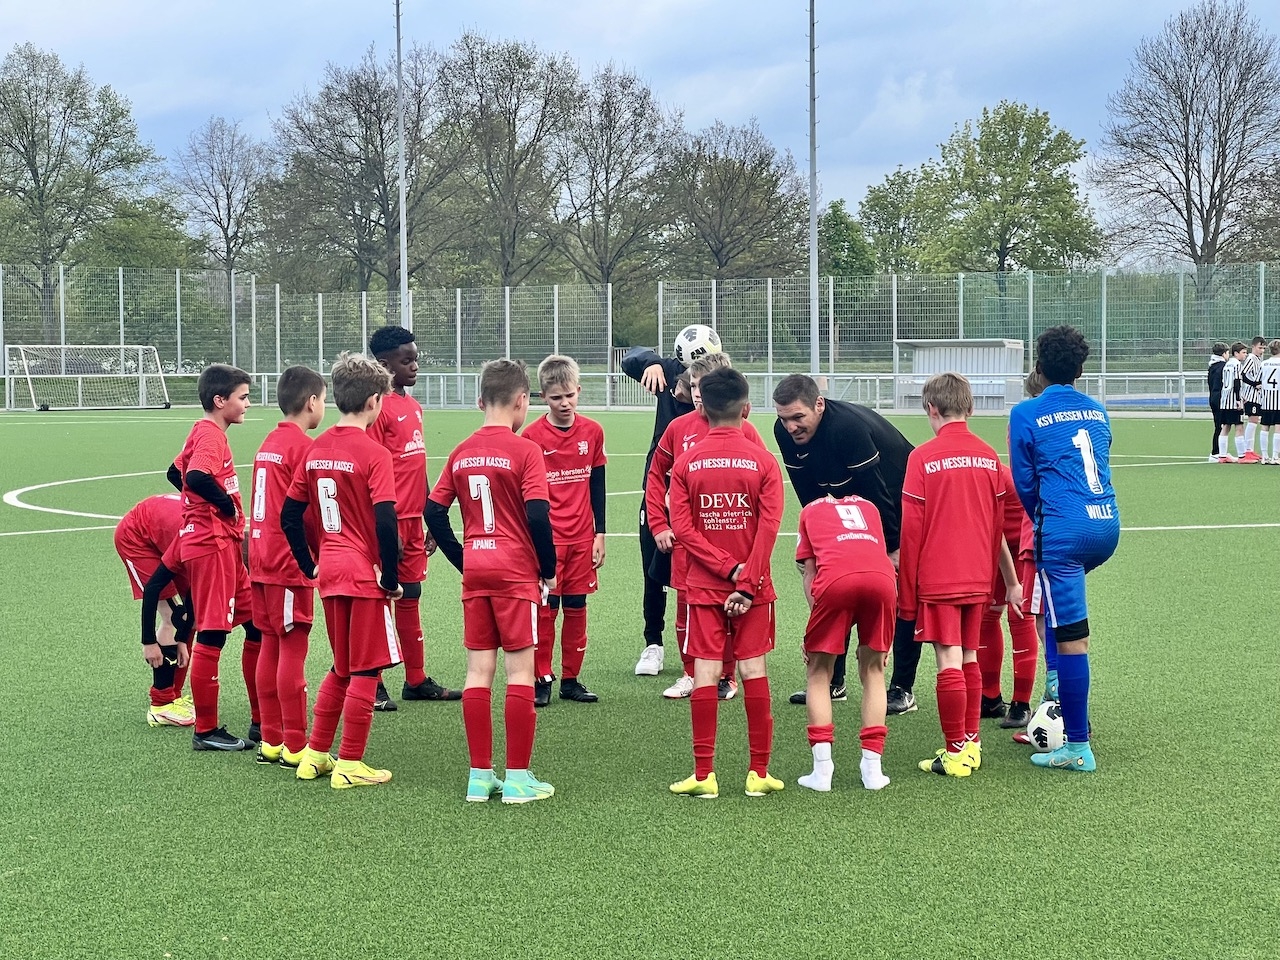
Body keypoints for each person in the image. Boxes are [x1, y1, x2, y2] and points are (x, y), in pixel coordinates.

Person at [425, 359, 558, 804]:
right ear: (523, 400)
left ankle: (479, 776)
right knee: (520, 672)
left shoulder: (461, 451)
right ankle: (518, 778)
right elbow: (537, 515)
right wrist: (548, 568)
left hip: (477, 570)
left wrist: (464, 559)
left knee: (477, 672)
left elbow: (433, 512)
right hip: (515, 571)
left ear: (480, 400)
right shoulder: (526, 451)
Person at [281, 353, 403, 789]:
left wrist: (309, 563)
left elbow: (289, 516)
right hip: (362, 574)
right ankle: (350, 762)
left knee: (342, 666)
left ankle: (315, 755)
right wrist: (391, 577)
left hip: (330, 572)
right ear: (374, 402)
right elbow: (386, 520)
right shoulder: (375, 453)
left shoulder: (315, 449)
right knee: (366, 671)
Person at [667, 367, 784, 800]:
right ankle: (758, 772)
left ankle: (704, 775)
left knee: (705, 671)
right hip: (754, 588)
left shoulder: (686, 462)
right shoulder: (764, 461)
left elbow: (683, 528)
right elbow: (769, 527)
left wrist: (726, 569)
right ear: (746, 409)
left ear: (704, 410)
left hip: (703, 585)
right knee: (753, 670)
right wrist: (746, 579)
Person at [771, 373, 918, 713]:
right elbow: (808, 493)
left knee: (902, 594)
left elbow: (878, 492)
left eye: (798, 417)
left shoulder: (847, 428)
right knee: (833, 582)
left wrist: (892, 547)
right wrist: (819, 544)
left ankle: (902, 688)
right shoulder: (785, 432)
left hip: (899, 498)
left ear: (819, 405)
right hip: (852, 501)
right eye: (784, 418)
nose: (791, 427)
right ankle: (832, 680)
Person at [1009, 325, 1120, 773]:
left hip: (1064, 534)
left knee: (1073, 639)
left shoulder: (1026, 412)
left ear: (1038, 366)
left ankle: (1077, 744)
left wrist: (1047, 522)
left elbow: (1025, 484)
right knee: (1056, 614)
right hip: (1106, 526)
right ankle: (1057, 698)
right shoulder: (1098, 410)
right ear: (1080, 369)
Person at [900, 372, 1020, 778]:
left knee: (947, 659)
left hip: (939, 577)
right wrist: (1004, 581)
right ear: (971, 408)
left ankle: (954, 754)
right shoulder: (989, 457)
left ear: (931, 409)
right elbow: (997, 526)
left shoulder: (922, 457)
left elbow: (911, 531)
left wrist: (907, 596)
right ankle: (971, 744)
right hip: (979, 577)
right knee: (970, 655)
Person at [646, 352, 767, 700]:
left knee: (729, 608)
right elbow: (655, 474)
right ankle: (691, 673)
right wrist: (659, 523)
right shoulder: (678, 428)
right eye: (694, 386)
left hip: (730, 539)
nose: (698, 393)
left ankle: (726, 676)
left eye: (704, 386)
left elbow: (761, 483)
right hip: (688, 541)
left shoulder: (746, 431)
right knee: (686, 608)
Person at [170, 363, 261, 752]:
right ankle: (206, 730)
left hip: (222, 544)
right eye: (243, 397)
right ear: (220, 400)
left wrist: (201, 507)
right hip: (211, 545)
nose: (247, 404)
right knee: (212, 633)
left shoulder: (203, 430)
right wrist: (224, 507)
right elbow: (194, 477)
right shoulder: (210, 434)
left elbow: (174, 472)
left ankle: (261, 720)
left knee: (256, 625)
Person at [367, 324, 459, 710]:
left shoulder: (413, 406)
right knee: (380, 598)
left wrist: (428, 516)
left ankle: (416, 679)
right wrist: (385, 527)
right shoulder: (377, 408)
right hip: (387, 520)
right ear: (384, 364)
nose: (415, 366)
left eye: (415, 359)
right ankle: (372, 681)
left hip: (412, 519)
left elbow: (416, 464)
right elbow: (371, 471)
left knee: (412, 593)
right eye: (407, 361)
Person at [248, 365, 326, 767]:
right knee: (292, 646)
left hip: (260, 556)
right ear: (312, 402)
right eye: (323, 399)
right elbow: (307, 512)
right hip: (287, 560)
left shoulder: (269, 442)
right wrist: (318, 554)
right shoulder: (302, 448)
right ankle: (295, 744)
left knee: (270, 644)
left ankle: (271, 739)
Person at [520, 354, 607, 707]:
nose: (565, 403)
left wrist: (600, 533)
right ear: (543, 397)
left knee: (577, 606)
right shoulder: (531, 436)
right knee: (546, 609)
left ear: (579, 391)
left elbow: (597, 483)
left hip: (583, 538)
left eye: (570, 395)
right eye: (556, 397)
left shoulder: (593, 431)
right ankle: (541, 678)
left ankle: (571, 679)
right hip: (549, 540)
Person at [794, 494, 896, 792]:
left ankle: (822, 770)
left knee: (819, 672)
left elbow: (811, 572)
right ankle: (872, 770)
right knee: (874, 671)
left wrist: (814, 626)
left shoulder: (810, 510)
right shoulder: (869, 506)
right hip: (883, 581)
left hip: (837, 580)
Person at [622, 342, 697, 677]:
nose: (690, 392)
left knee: (700, 572)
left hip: (698, 497)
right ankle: (653, 643)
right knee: (653, 570)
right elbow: (630, 359)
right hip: (659, 492)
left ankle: (709, 646)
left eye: (698, 385)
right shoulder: (668, 372)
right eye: (688, 384)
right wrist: (650, 361)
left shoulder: (716, 399)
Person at [115, 493, 194, 727]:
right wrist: (148, 642)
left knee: (186, 616)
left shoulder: (217, 532)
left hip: (164, 536)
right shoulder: (198, 539)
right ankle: (161, 705)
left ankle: (173, 694)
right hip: (136, 538)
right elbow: (152, 592)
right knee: (171, 617)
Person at [976, 462, 1040, 731]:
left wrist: (1013, 583)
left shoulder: (987, 476)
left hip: (1022, 543)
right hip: (995, 544)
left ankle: (1021, 703)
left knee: (1019, 616)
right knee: (986, 616)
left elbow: (996, 533)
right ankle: (990, 698)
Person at [1239, 336, 1265, 463]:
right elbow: (1243, 374)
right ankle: (1247, 450)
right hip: (1250, 395)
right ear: (1253, 347)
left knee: (1254, 421)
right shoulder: (1251, 358)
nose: (1262, 351)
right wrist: (1255, 384)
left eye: (1263, 348)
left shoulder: (1258, 359)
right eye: (1260, 348)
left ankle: (1250, 450)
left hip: (1257, 396)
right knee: (1253, 420)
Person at [1218, 342, 1246, 462]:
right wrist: (1239, 399)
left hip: (1225, 400)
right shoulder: (1237, 364)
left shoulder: (1227, 364)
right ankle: (1242, 456)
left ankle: (1222, 456)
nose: (1245, 355)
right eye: (1243, 352)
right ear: (1236, 353)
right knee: (1239, 427)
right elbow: (1237, 382)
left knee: (1225, 427)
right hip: (1233, 401)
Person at [1259, 340, 1280, 464]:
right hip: (1278, 400)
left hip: (1266, 400)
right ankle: (1275, 456)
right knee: (1278, 427)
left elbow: (1258, 380)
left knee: (1264, 427)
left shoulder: (1264, 363)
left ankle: (1264, 456)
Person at [1207, 342, 1227, 461]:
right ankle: (1216, 452)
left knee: (1219, 426)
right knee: (1220, 426)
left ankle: (1219, 451)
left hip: (1213, 397)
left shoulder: (1212, 366)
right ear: (1224, 353)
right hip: (1220, 398)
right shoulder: (1223, 366)